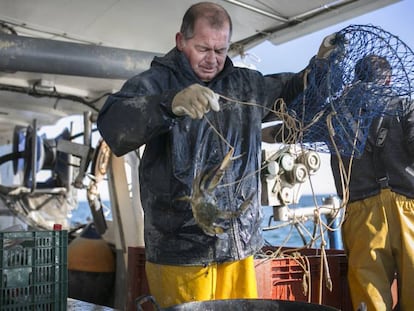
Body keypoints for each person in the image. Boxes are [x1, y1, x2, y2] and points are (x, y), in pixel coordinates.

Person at [97, 2, 335, 308]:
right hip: (180, 254)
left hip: (240, 249)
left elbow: (292, 92)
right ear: (180, 41)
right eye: (203, 48)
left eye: (220, 50)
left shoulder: (246, 85)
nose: (212, 60)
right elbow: (112, 124)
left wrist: (320, 66)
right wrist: (169, 104)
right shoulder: (154, 83)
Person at [329, 55, 414, 310]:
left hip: (361, 215)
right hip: (408, 211)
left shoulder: (336, 113)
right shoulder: (405, 105)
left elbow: (291, 131)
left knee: (370, 302)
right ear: (388, 79)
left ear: (357, 78)